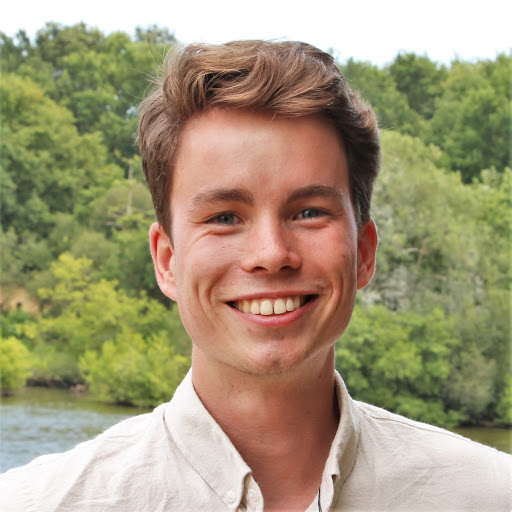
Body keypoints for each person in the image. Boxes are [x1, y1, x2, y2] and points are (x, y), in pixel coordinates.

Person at [1, 40, 510, 512]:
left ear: (363, 252)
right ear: (167, 261)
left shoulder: (491, 495)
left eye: (309, 212)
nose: (271, 254)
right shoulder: (36, 504)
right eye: (224, 217)